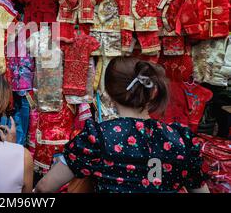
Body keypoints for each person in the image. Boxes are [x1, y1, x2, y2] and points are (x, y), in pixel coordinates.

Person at [35, 57, 210, 193]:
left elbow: (45, 187)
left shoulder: (97, 137)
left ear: (110, 94)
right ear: (152, 91)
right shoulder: (181, 140)